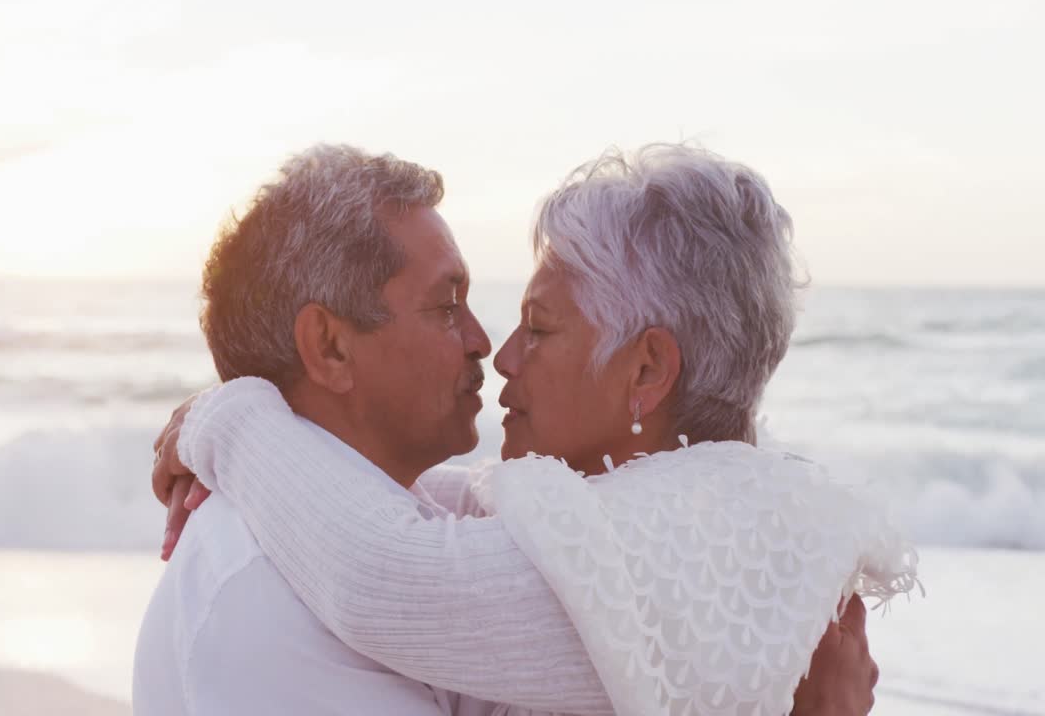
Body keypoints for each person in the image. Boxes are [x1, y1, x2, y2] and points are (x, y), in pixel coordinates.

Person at [140, 143, 907, 715]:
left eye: (538, 329)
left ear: (645, 372)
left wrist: (233, 419)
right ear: (330, 346)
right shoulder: (267, 585)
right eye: (449, 306)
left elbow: (392, 570)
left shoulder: (690, 546)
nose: (493, 348)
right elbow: (439, 512)